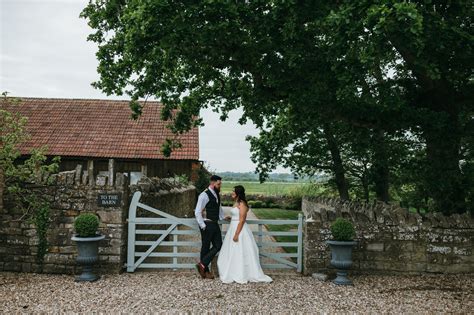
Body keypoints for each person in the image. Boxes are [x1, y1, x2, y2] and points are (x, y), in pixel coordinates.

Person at [217, 185, 272, 284]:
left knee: (240, 250)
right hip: (233, 227)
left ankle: (242, 273)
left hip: (239, 230)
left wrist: (236, 234)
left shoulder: (242, 204)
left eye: (233, 191)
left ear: (238, 193)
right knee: (232, 251)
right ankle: (232, 271)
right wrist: (231, 217)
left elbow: (242, 220)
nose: (232, 193)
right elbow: (237, 215)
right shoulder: (237, 203)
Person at [194, 175, 230, 279]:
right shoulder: (204, 195)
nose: (220, 186)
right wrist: (203, 225)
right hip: (207, 224)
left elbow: (218, 209)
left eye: (220, 184)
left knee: (218, 245)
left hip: (214, 223)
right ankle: (205, 272)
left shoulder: (217, 194)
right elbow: (197, 212)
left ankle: (201, 264)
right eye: (219, 184)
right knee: (205, 247)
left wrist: (224, 217)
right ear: (212, 183)